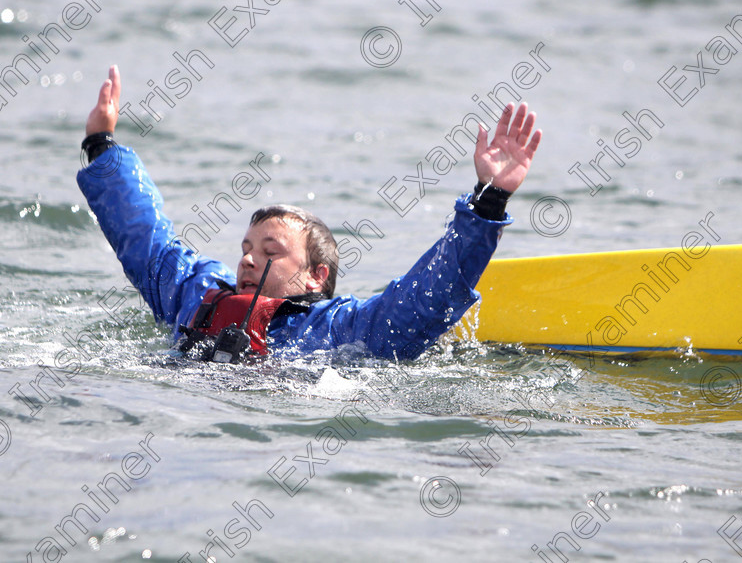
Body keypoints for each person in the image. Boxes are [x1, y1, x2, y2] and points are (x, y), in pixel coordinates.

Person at [78, 65, 542, 361]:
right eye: (246, 248)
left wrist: (489, 199)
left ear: (316, 276)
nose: (247, 260)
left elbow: (422, 301)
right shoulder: (196, 296)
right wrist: (102, 147)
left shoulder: (340, 331)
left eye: (268, 251)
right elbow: (147, 241)